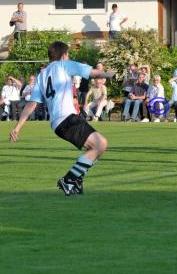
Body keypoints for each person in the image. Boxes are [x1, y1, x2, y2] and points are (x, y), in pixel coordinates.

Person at [9, 41, 115, 196]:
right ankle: (69, 179)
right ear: (64, 55)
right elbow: (93, 73)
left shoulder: (42, 75)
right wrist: (108, 74)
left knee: (94, 149)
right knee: (100, 144)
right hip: (67, 118)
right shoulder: (64, 65)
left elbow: (32, 104)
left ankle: (76, 180)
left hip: (57, 124)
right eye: (68, 54)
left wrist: (17, 127)